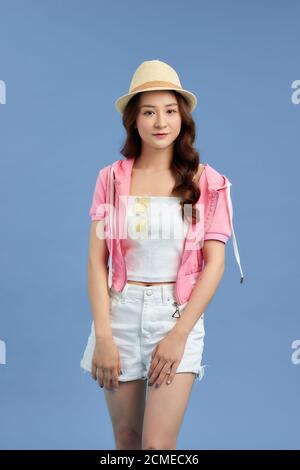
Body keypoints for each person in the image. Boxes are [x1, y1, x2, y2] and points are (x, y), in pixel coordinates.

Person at [80, 59, 244, 450]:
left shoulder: (208, 181)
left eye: (170, 111)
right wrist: (104, 334)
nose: (160, 121)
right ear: (134, 120)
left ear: (182, 119)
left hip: (176, 316)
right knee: (127, 441)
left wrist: (179, 335)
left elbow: (215, 264)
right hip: (119, 312)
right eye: (149, 112)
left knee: (157, 448)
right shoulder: (111, 179)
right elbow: (95, 259)